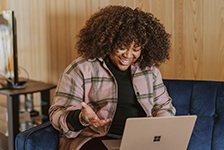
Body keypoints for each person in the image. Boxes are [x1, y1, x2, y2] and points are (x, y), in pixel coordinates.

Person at [49, 5, 176, 150]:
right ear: (109, 42)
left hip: (140, 141)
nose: (128, 55)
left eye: (136, 49)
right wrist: (81, 118)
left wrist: (160, 131)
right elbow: (56, 113)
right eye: (122, 46)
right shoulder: (81, 69)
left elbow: (164, 107)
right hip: (94, 138)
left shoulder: (150, 71)